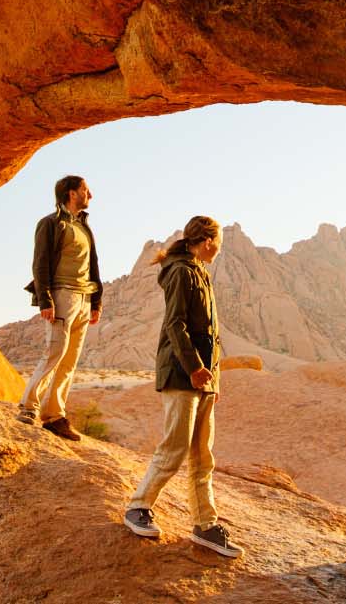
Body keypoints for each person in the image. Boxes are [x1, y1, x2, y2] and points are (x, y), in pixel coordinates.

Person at [121, 216, 244, 558]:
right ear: (206, 240)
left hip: (202, 378)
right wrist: (193, 369)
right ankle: (138, 506)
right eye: (217, 241)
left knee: (203, 456)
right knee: (175, 448)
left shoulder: (199, 271)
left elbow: (208, 333)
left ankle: (205, 525)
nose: (219, 248)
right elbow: (175, 325)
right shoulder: (180, 272)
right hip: (181, 375)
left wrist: (212, 378)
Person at [17, 176, 103, 441]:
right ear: (71, 193)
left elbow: (93, 265)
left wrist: (96, 301)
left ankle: (54, 415)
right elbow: (40, 264)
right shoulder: (51, 224)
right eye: (86, 190)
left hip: (84, 298)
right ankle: (28, 407)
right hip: (62, 294)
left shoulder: (84, 226)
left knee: (69, 361)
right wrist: (45, 300)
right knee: (55, 351)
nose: (91, 195)